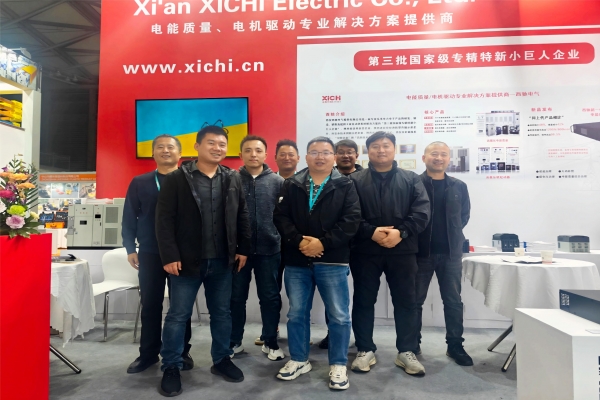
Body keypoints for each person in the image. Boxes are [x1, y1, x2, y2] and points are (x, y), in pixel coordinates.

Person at [155, 125, 252, 397]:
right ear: (197, 146)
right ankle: (171, 366)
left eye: (222, 144)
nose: (217, 148)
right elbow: (163, 220)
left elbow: (242, 214)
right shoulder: (177, 178)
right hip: (186, 262)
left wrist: (243, 248)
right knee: (178, 315)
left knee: (222, 313)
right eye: (211, 143)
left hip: (222, 261)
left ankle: (221, 359)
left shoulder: (232, 178)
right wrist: (170, 255)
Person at [273, 136, 361, 390]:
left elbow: (352, 220)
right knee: (296, 313)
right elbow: (281, 217)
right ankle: (299, 359)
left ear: (334, 157)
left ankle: (338, 364)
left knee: (339, 315)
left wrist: (323, 243)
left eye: (325, 152)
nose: (320, 157)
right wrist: (299, 241)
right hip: (297, 260)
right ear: (306, 156)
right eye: (314, 152)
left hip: (333, 260)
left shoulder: (346, 184)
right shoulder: (292, 183)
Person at [349, 131, 430, 376]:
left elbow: (422, 212)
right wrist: (370, 232)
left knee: (406, 302)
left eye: (386, 146)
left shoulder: (411, 179)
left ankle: (406, 350)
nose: (381, 150)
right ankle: (364, 349)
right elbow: (348, 214)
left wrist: (401, 233)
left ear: (394, 149)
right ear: (368, 151)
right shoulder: (354, 180)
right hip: (365, 250)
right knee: (363, 301)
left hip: (403, 250)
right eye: (375, 146)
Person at [122, 134, 193, 374]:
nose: (165, 150)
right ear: (153, 153)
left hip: (182, 253)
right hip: (150, 252)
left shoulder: (189, 180)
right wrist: (130, 248)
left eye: (170, 147)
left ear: (179, 154)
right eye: (160, 147)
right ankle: (148, 354)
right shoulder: (140, 182)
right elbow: (129, 216)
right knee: (151, 304)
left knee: (181, 307)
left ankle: (182, 352)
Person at [415, 141, 473, 366]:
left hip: (451, 254)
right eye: (434, 154)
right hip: (420, 253)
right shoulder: (414, 184)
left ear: (449, 159)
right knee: (414, 301)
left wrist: (453, 234)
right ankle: (412, 344)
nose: (438, 158)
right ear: (424, 158)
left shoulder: (459, 186)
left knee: (453, 302)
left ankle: (455, 345)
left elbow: (464, 216)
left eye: (443, 155)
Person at [230, 135, 285, 361]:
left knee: (270, 298)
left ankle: (270, 341)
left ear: (266, 154)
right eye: (248, 150)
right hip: (238, 252)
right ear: (241, 154)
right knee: (235, 298)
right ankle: (234, 341)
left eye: (258, 150)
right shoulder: (231, 180)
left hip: (269, 250)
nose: (253, 154)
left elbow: (284, 216)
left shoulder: (278, 182)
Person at [255, 139, 301, 347]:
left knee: (298, 294)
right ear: (274, 158)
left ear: (298, 158)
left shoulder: (305, 182)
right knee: (270, 293)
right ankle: (270, 331)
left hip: (296, 246)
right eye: (282, 154)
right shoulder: (268, 181)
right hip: (271, 246)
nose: (287, 158)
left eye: (291, 154)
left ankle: (299, 331)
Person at [319, 139, 363, 350]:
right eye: (341, 152)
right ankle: (333, 334)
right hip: (335, 245)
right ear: (335, 155)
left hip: (362, 244)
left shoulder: (365, 179)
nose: (346, 156)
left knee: (362, 296)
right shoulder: (326, 179)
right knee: (334, 297)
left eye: (350, 152)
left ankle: (362, 339)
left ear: (357, 155)